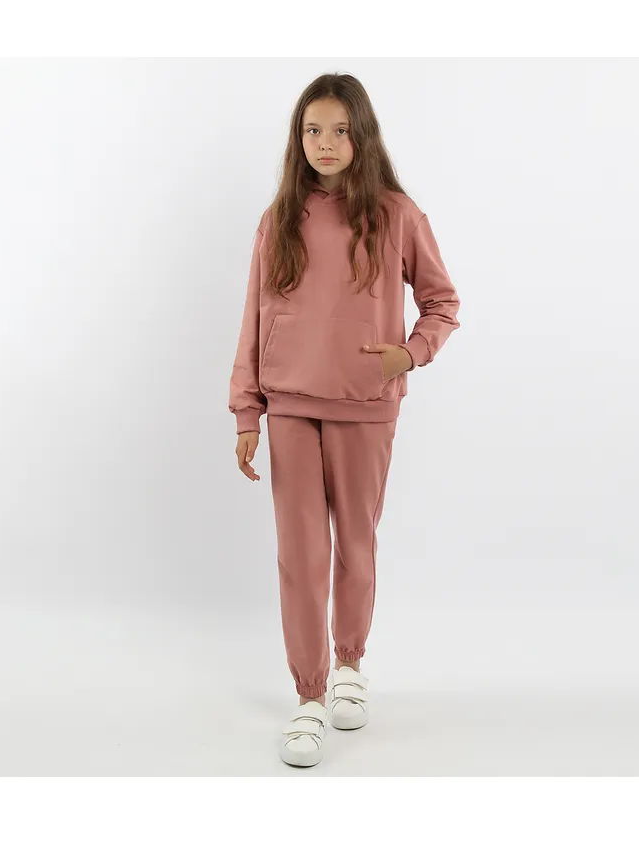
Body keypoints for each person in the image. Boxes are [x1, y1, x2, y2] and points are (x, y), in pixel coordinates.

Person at [228, 72, 461, 768]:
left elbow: (442, 302)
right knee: (300, 555)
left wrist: (408, 354)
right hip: (290, 404)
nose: (325, 143)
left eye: (338, 129)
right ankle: (308, 696)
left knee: (356, 542)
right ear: (297, 139)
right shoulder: (279, 218)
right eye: (312, 130)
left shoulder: (397, 214)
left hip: (365, 405)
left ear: (363, 135)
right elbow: (253, 317)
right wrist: (246, 408)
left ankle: (350, 664)